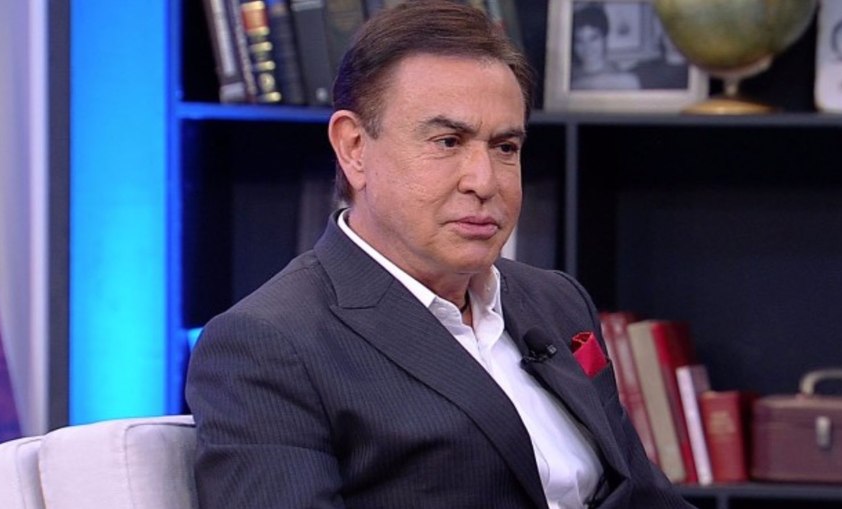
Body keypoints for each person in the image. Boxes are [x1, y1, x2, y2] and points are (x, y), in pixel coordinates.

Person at [186, 1, 695, 508]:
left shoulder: (556, 301)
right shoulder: (269, 345)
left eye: (505, 147)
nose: (484, 182)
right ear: (354, 147)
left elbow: (645, 497)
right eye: (448, 142)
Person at [570, 3, 641, 91]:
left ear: (605, 38)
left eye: (593, 38)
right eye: (579, 40)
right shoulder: (567, 79)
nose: (587, 47)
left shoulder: (626, 81)